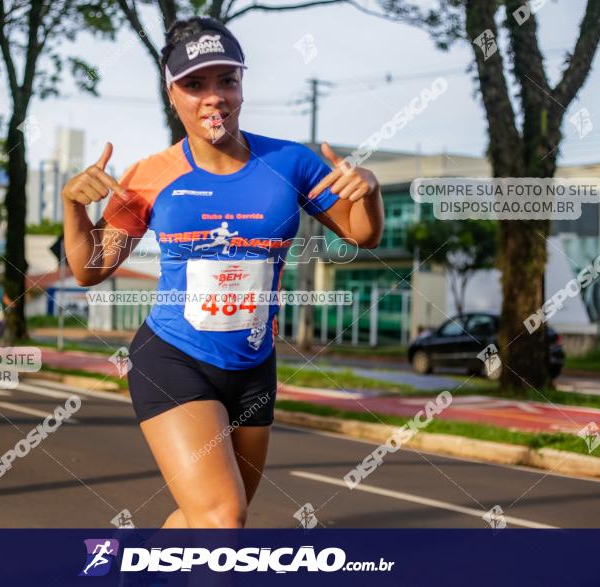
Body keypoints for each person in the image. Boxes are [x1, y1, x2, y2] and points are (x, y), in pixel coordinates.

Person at [61, 17, 383, 528]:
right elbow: (90, 267)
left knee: (206, 519)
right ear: (172, 94)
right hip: (173, 358)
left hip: (254, 367)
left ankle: (136, 571)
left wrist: (370, 191)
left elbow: (361, 234)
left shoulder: (290, 162)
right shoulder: (150, 175)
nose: (214, 97)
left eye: (226, 80)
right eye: (194, 84)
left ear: (241, 86)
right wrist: (73, 208)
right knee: (222, 517)